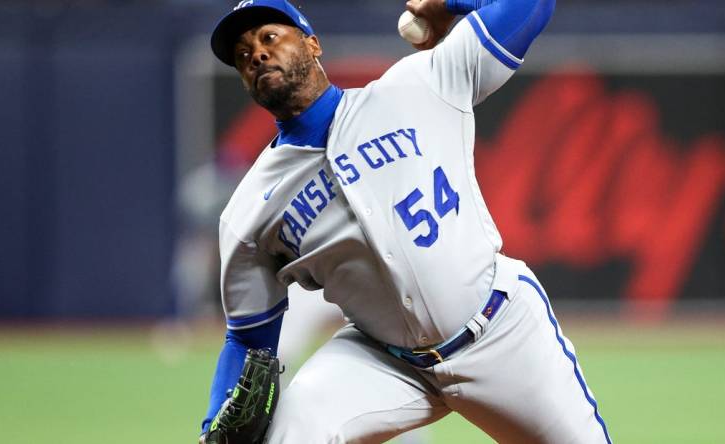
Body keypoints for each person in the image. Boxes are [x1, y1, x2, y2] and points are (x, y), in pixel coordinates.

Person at [200, 0, 611, 442]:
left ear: (312, 44)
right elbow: (248, 339)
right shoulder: (249, 213)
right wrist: (210, 426)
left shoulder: (418, 85)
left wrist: (450, 5)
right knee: (292, 432)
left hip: (500, 330)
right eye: (242, 55)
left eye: (269, 37)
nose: (257, 55)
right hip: (384, 361)